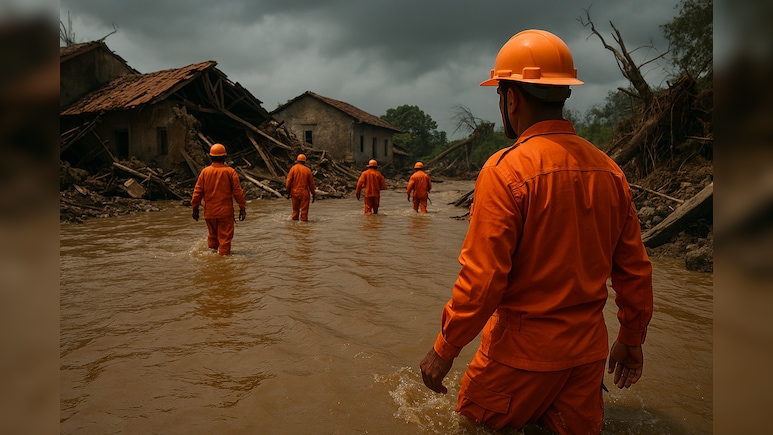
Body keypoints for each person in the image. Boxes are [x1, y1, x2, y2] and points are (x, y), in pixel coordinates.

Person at [419, 29, 654, 434]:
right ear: (563, 94)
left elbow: (483, 280)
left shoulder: (504, 170)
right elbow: (634, 269)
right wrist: (631, 339)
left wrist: (445, 348)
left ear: (511, 98)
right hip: (586, 358)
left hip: (518, 359)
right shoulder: (609, 171)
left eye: (501, 96)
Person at [190, 143, 247, 255]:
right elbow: (238, 192)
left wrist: (195, 208)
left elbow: (197, 192)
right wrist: (242, 208)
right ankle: (224, 264)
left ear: (210, 157)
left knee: (212, 236)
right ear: (224, 157)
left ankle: (212, 259)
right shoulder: (230, 172)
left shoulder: (205, 172)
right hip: (225, 213)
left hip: (209, 213)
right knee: (225, 239)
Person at [285, 153, 316, 222]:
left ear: (297, 160)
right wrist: (313, 194)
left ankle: (294, 226)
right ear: (304, 161)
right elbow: (311, 184)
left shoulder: (293, 168)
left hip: (294, 192)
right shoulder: (307, 170)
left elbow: (289, 181)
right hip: (304, 193)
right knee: (304, 211)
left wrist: (288, 191)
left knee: (295, 210)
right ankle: (303, 227)